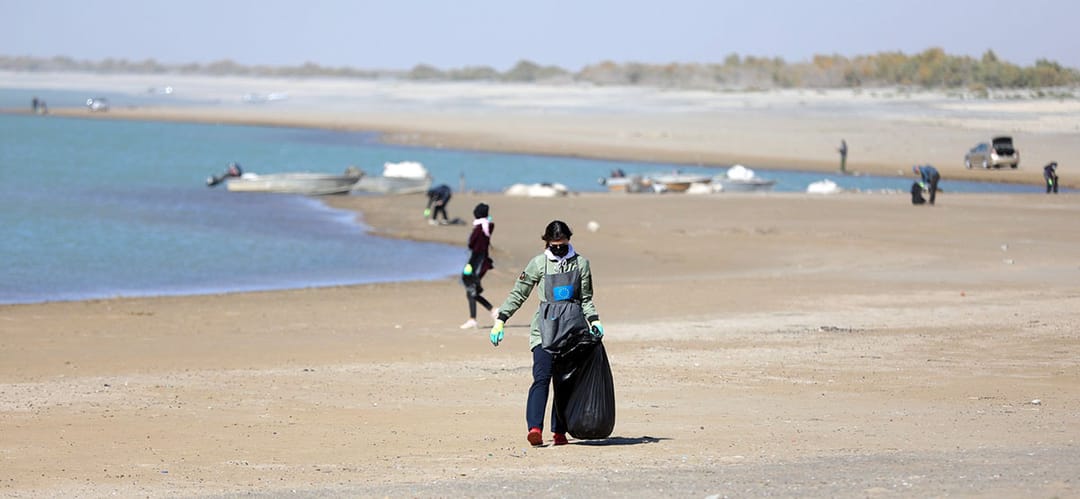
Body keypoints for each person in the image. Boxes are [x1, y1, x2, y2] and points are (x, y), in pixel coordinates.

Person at [489, 220, 603, 447]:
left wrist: (594, 320)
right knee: (542, 377)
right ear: (547, 243)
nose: (558, 249)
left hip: (572, 331)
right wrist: (501, 320)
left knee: (565, 382)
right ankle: (535, 428)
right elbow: (518, 293)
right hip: (544, 330)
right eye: (554, 245)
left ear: (569, 240)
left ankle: (559, 432)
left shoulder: (581, 264)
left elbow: (586, 299)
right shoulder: (538, 264)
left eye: (562, 244)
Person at [460, 203, 497, 329]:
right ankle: (490, 311)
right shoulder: (487, 226)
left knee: (471, 288)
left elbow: (471, 244)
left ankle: (477, 317)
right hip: (480, 262)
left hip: (476, 262)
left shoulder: (479, 228)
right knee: (471, 290)